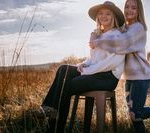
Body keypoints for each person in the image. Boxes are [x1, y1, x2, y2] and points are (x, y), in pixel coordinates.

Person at [89, 0, 150, 132]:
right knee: (133, 115)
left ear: (139, 11)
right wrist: (96, 33)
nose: (129, 10)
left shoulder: (139, 28)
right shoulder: (124, 28)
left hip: (141, 76)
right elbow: (110, 33)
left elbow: (121, 45)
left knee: (136, 114)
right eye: (127, 7)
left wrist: (97, 42)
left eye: (133, 8)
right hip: (129, 78)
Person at [41, 1, 125, 133]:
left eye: (108, 13)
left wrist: (87, 71)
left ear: (114, 17)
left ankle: (55, 127)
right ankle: (48, 108)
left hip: (107, 78)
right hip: (95, 73)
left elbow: (110, 63)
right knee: (64, 69)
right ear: (97, 17)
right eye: (101, 13)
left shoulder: (118, 36)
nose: (104, 16)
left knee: (67, 85)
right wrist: (82, 65)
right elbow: (94, 59)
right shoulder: (99, 36)